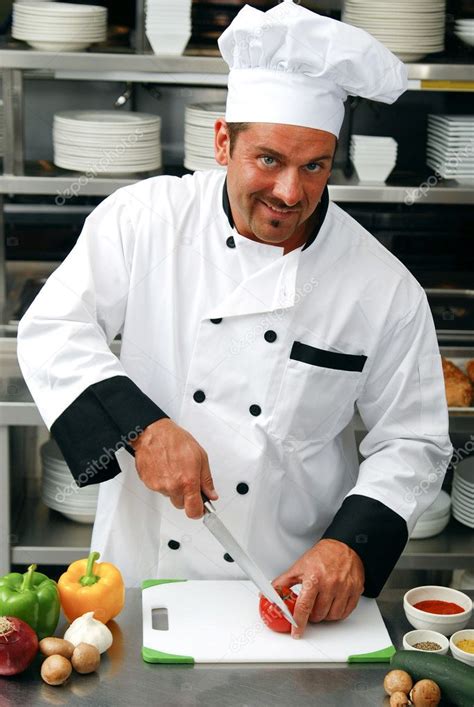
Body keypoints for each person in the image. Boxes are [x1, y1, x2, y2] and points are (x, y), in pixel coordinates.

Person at [17, 1, 452, 639]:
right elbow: (54, 326)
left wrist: (351, 549)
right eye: (269, 160)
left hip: (285, 588)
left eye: (315, 166)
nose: (290, 193)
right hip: (137, 582)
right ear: (223, 142)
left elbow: (411, 440)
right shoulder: (143, 220)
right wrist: (144, 427)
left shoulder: (383, 288)